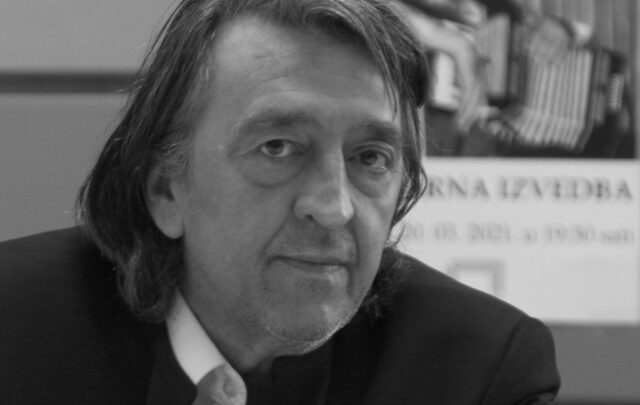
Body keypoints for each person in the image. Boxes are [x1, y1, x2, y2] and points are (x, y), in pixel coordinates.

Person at [0, 0, 560, 403]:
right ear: (165, 189)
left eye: (370, 157)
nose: (335, 207)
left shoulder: (476, 371)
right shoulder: (16, 332)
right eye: (278, 147)